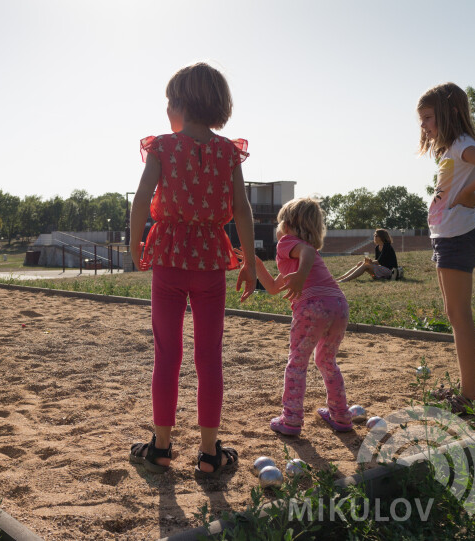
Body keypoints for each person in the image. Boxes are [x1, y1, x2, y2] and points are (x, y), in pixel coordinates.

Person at [128, 62, 257, 477]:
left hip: (168, 256)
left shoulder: (163, 147)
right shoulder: (227, 152)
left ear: (180, 105)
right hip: (210, 262)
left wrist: (134, 243)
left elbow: (141, 198)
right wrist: (250, 263)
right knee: (209, 358)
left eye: (169, 101)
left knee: (167, 354)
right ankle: (207, 453)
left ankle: (161, 447)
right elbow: (241, 209)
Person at [418, 82, 475, 414]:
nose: (424, 125)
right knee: (454, 316)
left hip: (459, 237)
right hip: (447, 236)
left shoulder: (462, 145)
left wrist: (465, 193)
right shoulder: (451, 148)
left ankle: (472, 397)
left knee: (460, 316)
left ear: (449, 112)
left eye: (428, 117)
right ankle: (469, 389)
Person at [238, 198, 352, 436]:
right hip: (339, 306)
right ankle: (340, 416)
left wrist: (300, 277)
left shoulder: (289, 243)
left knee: (297, 362)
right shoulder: (298, 256)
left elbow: (308, 252)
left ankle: (290, 419)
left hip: (313, 307)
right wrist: (255, 263)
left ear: (287, 225)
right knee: (326, 361)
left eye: (279, 222)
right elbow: (272, 287)